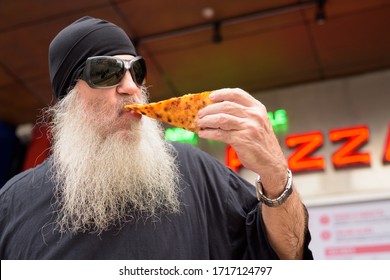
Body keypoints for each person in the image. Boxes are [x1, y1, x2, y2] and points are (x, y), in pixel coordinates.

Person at [0, 16, 313, 260]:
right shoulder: (13, 202)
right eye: (106, 72)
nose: (131, 87)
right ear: (69, 96)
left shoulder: (195, 171)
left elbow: (288, 255)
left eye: (136, 72)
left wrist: (274, 172)